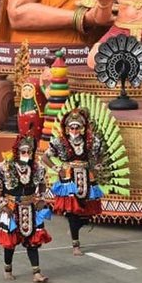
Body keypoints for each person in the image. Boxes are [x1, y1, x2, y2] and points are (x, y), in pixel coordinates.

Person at [0, 133, 52, 283]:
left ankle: (37, 273)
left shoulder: (37, 167)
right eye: (23, 152)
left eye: (29, 152)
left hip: (30, 207)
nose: (26, 155)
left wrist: (42, 198)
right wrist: (3, 204)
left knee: (33, 241)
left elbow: (42, 183)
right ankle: (7, 269)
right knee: (10, 242)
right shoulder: (4, 167)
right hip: (11, 207)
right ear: (17, 152)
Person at [47, 107, 105, 257]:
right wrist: (56, 168)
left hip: (87, 176)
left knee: (87, 212)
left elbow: (100, 154)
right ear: (67, 129)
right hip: (69, 179)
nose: (74, 129)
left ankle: (75, 227)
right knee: (72, 211)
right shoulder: (60, 141)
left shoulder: (91, 140)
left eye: (77, 127)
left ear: (82, 128)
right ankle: (76, 245)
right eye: (71, 127)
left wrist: (97, 167)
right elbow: (45, 157)